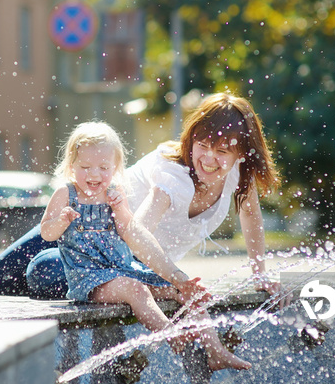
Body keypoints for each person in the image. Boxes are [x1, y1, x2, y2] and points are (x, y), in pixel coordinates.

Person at [0, 92, 280, 299]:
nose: (210, 159)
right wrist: (176, 278)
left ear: (241, 153)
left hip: (112, 264)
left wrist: (260, 274)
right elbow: (133, 232)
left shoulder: (240, 175)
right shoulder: (172, 174)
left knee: (44, 271)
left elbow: (250, 215)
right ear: (191, 138)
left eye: (223, 151)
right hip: (78, 222)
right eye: (203, 146)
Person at [41, 121, 251, 370]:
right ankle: (170, 334)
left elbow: (130, 231)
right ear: (71, 166)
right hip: (89, 278)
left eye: (104, 168)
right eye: (85, 167)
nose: (95, 175)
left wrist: (120, 209)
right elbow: (47, 233)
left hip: (122, 269)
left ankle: (215, 351)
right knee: (135, 289)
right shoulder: (66, 194)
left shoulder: (114, 193)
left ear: (116, 168)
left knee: (185, 290)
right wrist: (62, 219)